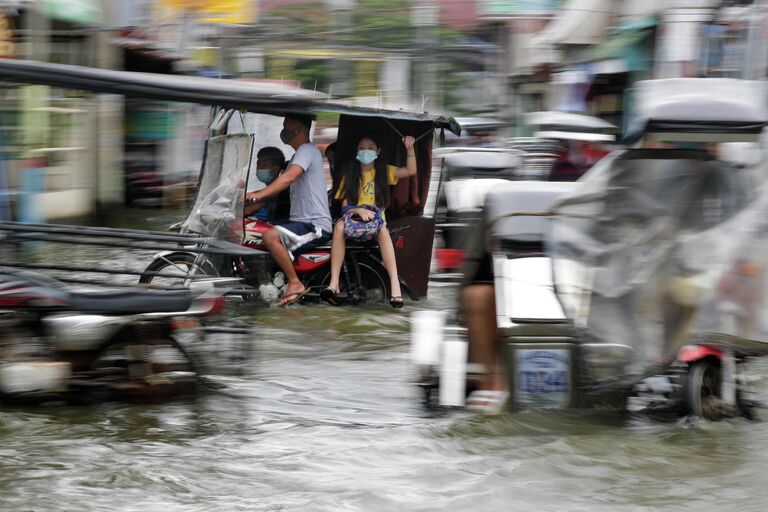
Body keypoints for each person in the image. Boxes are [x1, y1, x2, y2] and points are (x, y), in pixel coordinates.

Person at [245, 115, 332, 306]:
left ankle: (295, 283)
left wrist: (257, 195)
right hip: (300, 222)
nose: (283, 131)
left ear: (298, 130)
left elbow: (288, 178)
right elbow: (278, 188)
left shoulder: (307, 151)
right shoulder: (297, 156)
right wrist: (247, 198)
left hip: (314, 224)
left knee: (269, 236)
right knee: (257, 231)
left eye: (286, 127)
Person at [320, 135, 416, 308]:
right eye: (362, 147)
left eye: (370, 148)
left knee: (384, 231)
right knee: (339, 227)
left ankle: (395, 285)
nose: (366, 151)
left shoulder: (385, 171)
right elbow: (344, 206)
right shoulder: (349, 174)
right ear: (357, 151)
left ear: (378, 151)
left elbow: (410, 171)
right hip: (353, 221)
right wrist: (358, 210)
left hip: (376, 223)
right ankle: (333, 283)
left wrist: (410, 148)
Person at [244, 146, 288, 222]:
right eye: (258, 164)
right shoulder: (266, 191)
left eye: (264, 165)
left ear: (275, 169)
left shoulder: (275, 193)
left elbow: (247, 210)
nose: (259, 168)